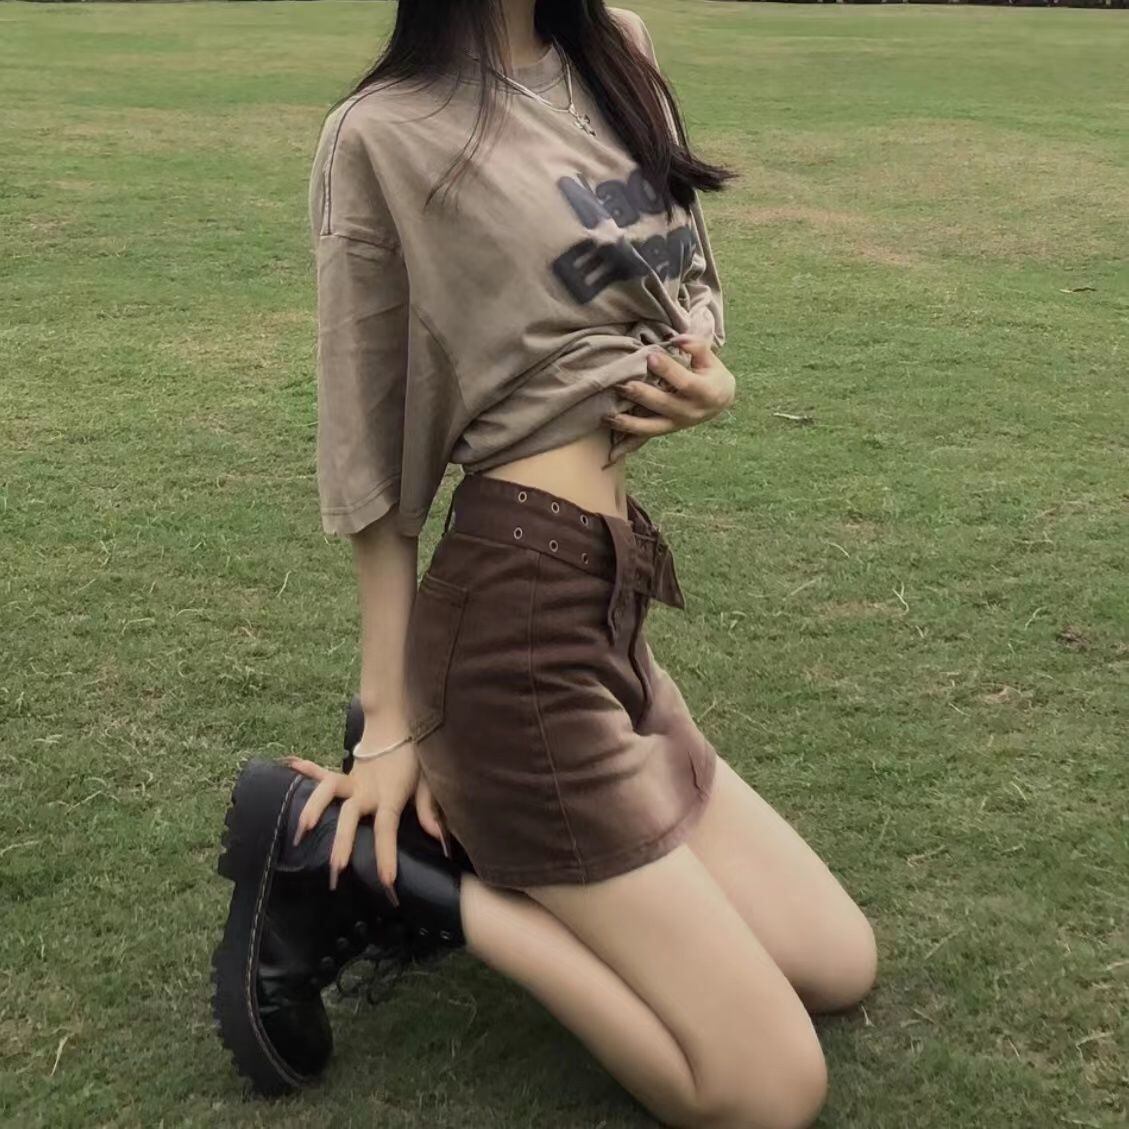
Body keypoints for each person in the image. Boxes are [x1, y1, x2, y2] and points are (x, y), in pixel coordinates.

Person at [211, 4, 876, 1126]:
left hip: (607, 598)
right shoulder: (386, 131)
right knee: (768, 1087)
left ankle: (480, 836)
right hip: (509, 629)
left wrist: (712, 373)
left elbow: (681, 274)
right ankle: (384, 873)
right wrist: (387, 717)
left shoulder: (616, 52)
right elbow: (369, 438)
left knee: (836, 960)